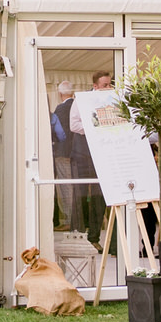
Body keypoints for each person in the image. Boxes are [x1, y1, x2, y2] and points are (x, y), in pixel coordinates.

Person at [67, 70, 112, 242]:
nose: (108, 88)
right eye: (104, 85)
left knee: (99, 197)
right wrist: (94, 129)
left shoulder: (111, 100)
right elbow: (74, 125)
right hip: (82, 153)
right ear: (95, 86)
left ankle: (94, 238)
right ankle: (77, 235)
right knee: (80, 194)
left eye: (109, 84)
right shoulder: (81, 100)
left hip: (102, 154)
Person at [51, 81, 79, 230]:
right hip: (76, 153)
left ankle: (68, 220)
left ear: (60, 94)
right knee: (75, 186)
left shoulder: (60, 109)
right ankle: (75, 219)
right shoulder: (77, 106)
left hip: (63, 152)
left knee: (65, 187)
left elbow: (59, 133)